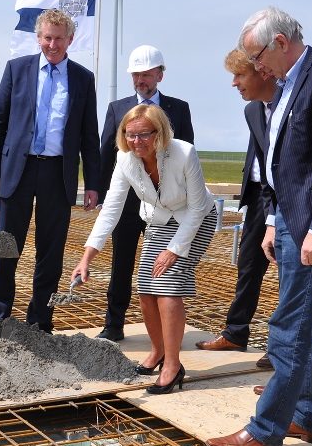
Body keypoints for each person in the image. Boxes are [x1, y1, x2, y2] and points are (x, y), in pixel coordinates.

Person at [205, 6, 312, 446]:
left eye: (257, 57)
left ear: (280, 43)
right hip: (292, 222)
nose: (256, 68)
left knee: (290, 327)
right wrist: (274, 222)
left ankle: (264, 430)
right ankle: (310, 418)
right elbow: (283, 163)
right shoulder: (287, 85)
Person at [72, 104, 216, 394]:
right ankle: (158, 350)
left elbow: (199, 207)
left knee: (168, 286)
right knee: (146, 289)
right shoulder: (125, 159)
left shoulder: (184, 153)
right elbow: (111, 209)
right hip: (161, 220)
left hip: (195, 219)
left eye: (143, 135)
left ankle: (173, 367)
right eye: (130, 135)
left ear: (159, 132)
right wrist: (87, 256)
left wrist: (174, 250)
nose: (136, 142)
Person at [0, 8, 101, 333]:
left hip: (57, 175)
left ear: (70, 40)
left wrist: (93, 184)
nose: (52, 44)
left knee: (50, 255)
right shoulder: (16, 70)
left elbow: (90, 136)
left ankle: (41, 322)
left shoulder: (82, 78)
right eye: (47, 38)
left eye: (59, 39)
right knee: (4, 248)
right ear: (38, 38)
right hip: (15, 173)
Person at [95, 45, 194, 342]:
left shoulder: (179, 109)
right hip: (128, 202)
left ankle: (165, 330)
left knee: (165, 265)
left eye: (147, 73)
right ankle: (114, 324)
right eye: (136, 74)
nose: (141, 79)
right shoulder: (117, 108)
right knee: (121, 262)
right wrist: (100, 195)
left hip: (166, 205)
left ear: (160, 75)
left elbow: (188, 155)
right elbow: (106, 154)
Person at [196, 49, 275, 353]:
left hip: (291, 198)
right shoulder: (252, 110)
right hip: (259, 194)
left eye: (240, 75)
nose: (234, 83)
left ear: (261, 72)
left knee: (294, 274)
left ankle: (282, 349)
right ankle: (236, 332)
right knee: (248, 265)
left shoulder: (292, 101)